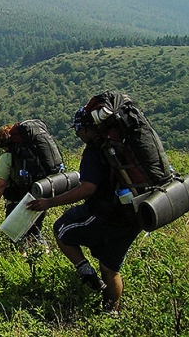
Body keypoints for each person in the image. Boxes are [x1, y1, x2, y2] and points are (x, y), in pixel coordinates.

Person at [28, 107, 143, 314]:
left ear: (89, 128)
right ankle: (111, 313)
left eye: (79, 129)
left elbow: (88, 187)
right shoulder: (126, 144)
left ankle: (86, 272)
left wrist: (49, 202)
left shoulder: (95, 149)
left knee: (61, 230)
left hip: (107, 214)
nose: (78, 134)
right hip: (134, 214)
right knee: (110, 269)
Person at [0, 124, 48, 248]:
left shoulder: (7, 157)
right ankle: (43, 258)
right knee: (36, 235)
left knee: (16, 239)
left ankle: (21, 261)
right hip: (38, 198)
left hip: (17, 202)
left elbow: (1, 183)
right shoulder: (34, 154)